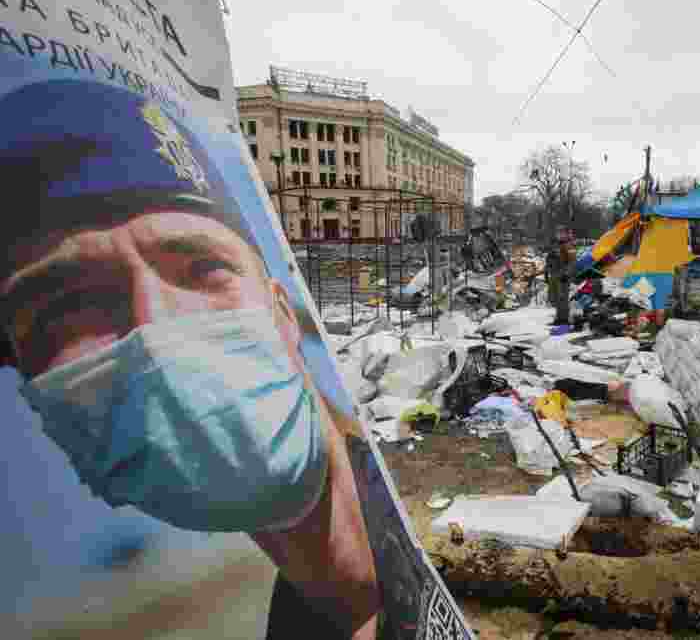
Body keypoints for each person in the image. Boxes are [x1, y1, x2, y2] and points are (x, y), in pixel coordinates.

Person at [0, 79, 438, 639]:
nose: (158, 332)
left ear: (282, 312)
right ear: (37, 393)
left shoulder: (461, 545)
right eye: (70, 309)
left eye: (200, 267)